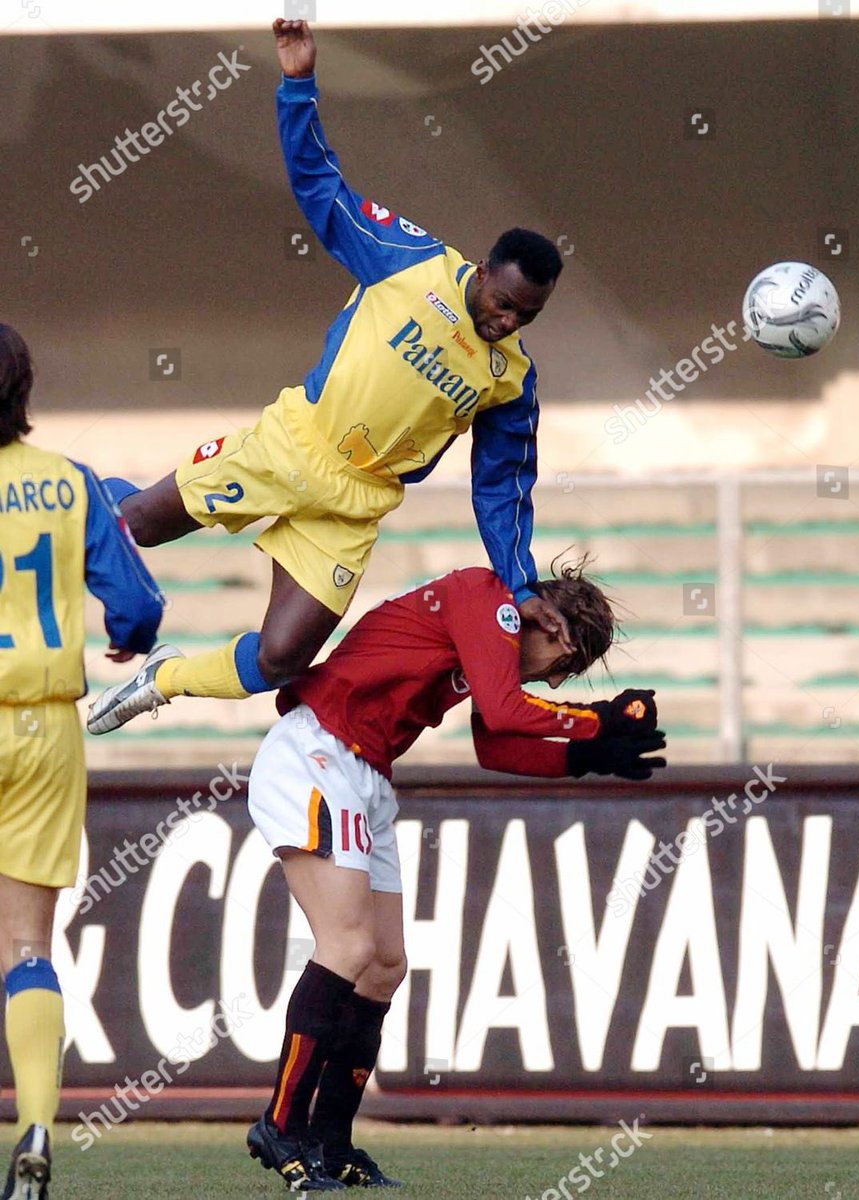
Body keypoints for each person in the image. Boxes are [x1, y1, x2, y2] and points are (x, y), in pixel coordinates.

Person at [87, 15, 571, 737]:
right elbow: (320, 186)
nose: (506, 323)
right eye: (504, 305)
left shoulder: (511, 380)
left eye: (524, 317)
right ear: (482, 273)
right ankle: (71, 495)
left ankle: (166, 679)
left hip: (354, 504)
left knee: (283, 657)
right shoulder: (411, 262)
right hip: (291, 447)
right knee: (135, 530)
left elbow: (500, 486)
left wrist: (519, 580)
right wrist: (297, 83)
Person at [242, 561, 666, 1190]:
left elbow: (495, 742)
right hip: (319, 751)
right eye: (565, 663)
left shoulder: (488, 635)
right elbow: (506, 708)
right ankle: (280, 1124)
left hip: (364, 772)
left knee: (385, 966)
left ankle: (331, 1142)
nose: (556, 678)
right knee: (349, 947)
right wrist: (598, 720)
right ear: (550, 622)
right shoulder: (486, 597)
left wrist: (586, 757)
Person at [0, 325, 164, 1200]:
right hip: (40, 727)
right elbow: (137, 605)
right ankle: (33, 1125)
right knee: (25, 945)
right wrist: (122, 640)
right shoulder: (66, 482)